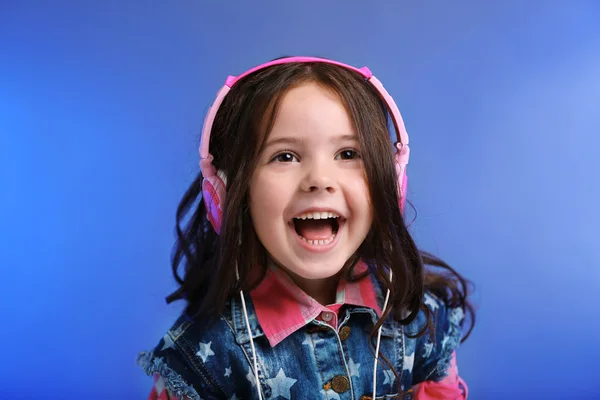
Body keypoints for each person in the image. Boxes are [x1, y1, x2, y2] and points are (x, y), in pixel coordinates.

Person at [137, 56, 475, 400]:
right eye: (285, 156)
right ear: (228, 194)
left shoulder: (419, 322)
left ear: (390, 183)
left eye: (347, 153)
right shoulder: (201, 361)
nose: (319, 180)